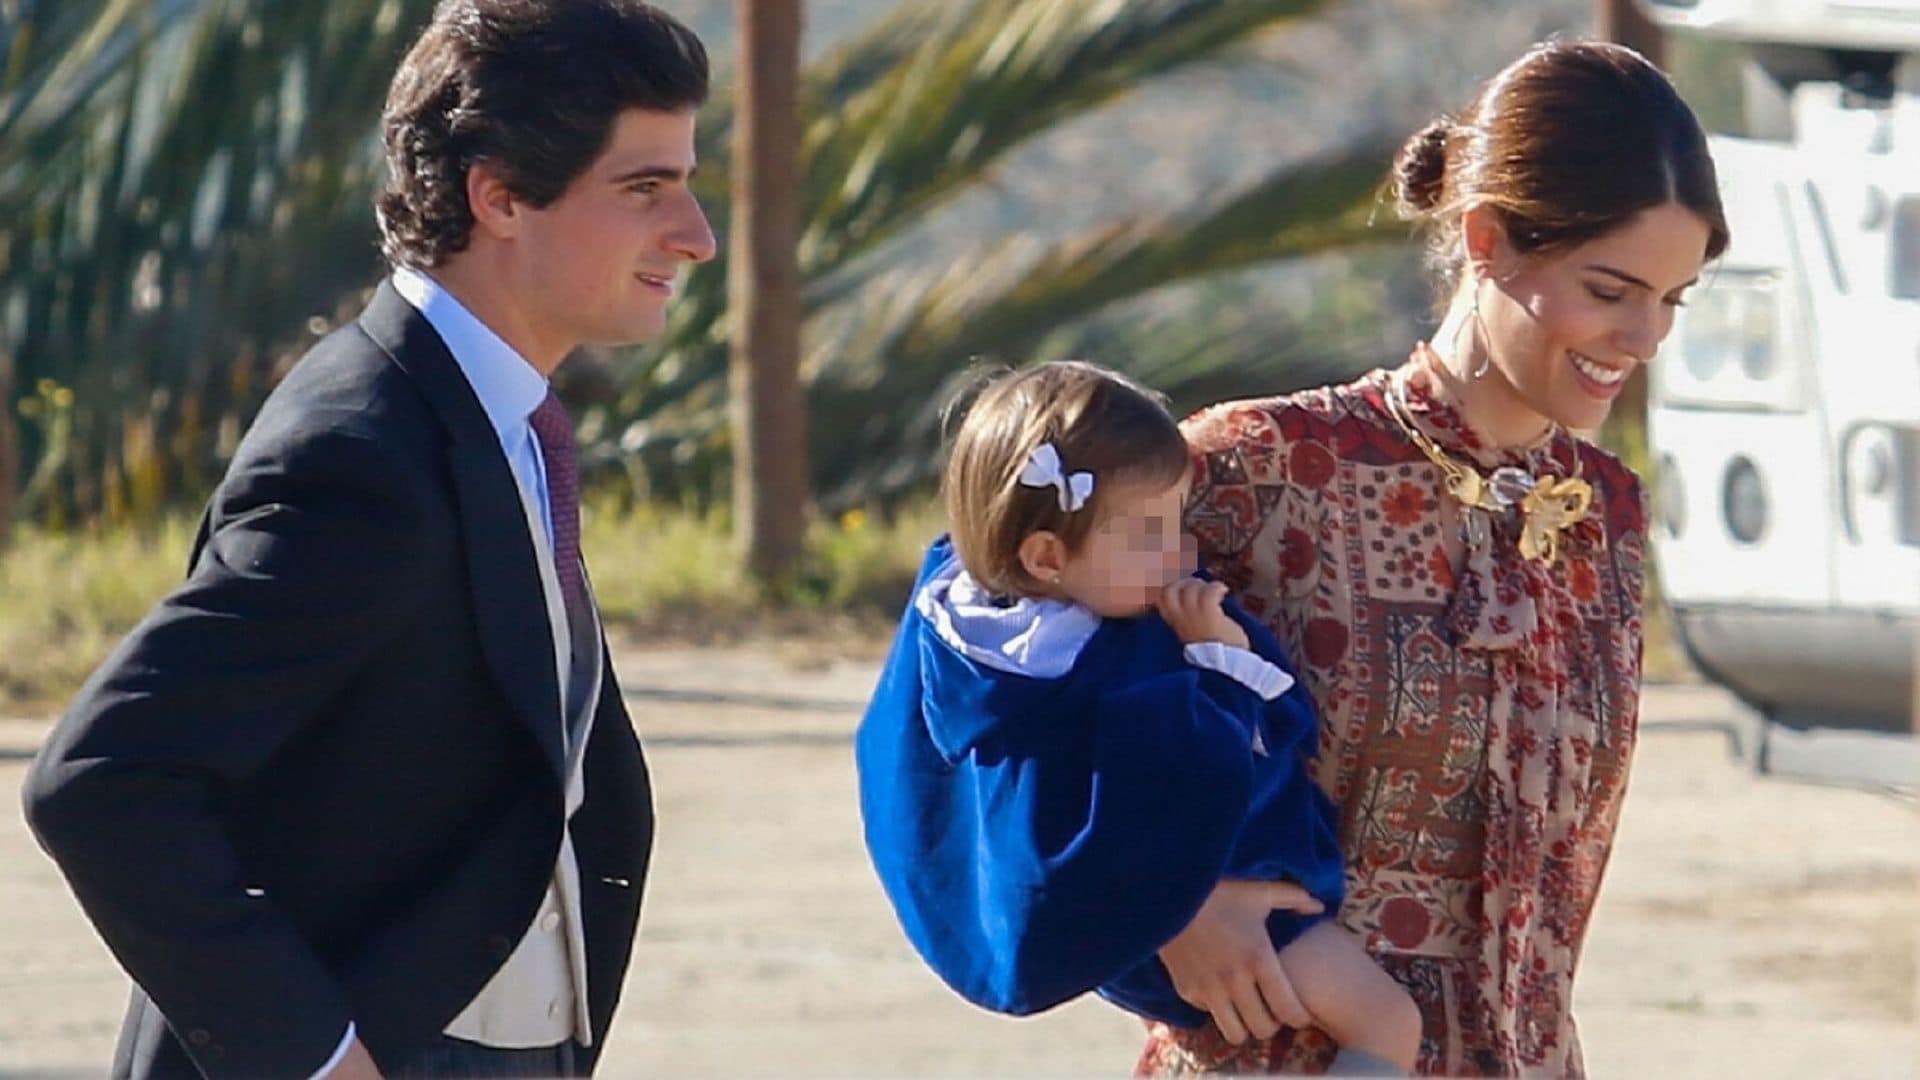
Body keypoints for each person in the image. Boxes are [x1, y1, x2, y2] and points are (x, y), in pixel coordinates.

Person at [22, 2, 716, 1077]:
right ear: (500, 197)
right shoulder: (363, 456)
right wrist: (314, 1055)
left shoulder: (500, 418)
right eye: (645, 189)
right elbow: (106, 776)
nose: (697, 234)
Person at [1134, 40, 1729, 1076]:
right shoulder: (1257, 469)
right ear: (1488, 239)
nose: (1644, 336)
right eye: (1610, 288)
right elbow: (1007, 685)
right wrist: (1168, 905)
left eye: (1674, 300)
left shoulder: (1607, 513)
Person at [857, 361, 1422, 1075]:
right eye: (1151, 533)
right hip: (1206, 915)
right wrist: (1220, 659)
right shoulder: (1125, 661)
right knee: (1387, 1023)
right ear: (1046, 554)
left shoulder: (962, 646)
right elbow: (1236, 756)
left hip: (1106, 933)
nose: (1182, 552)